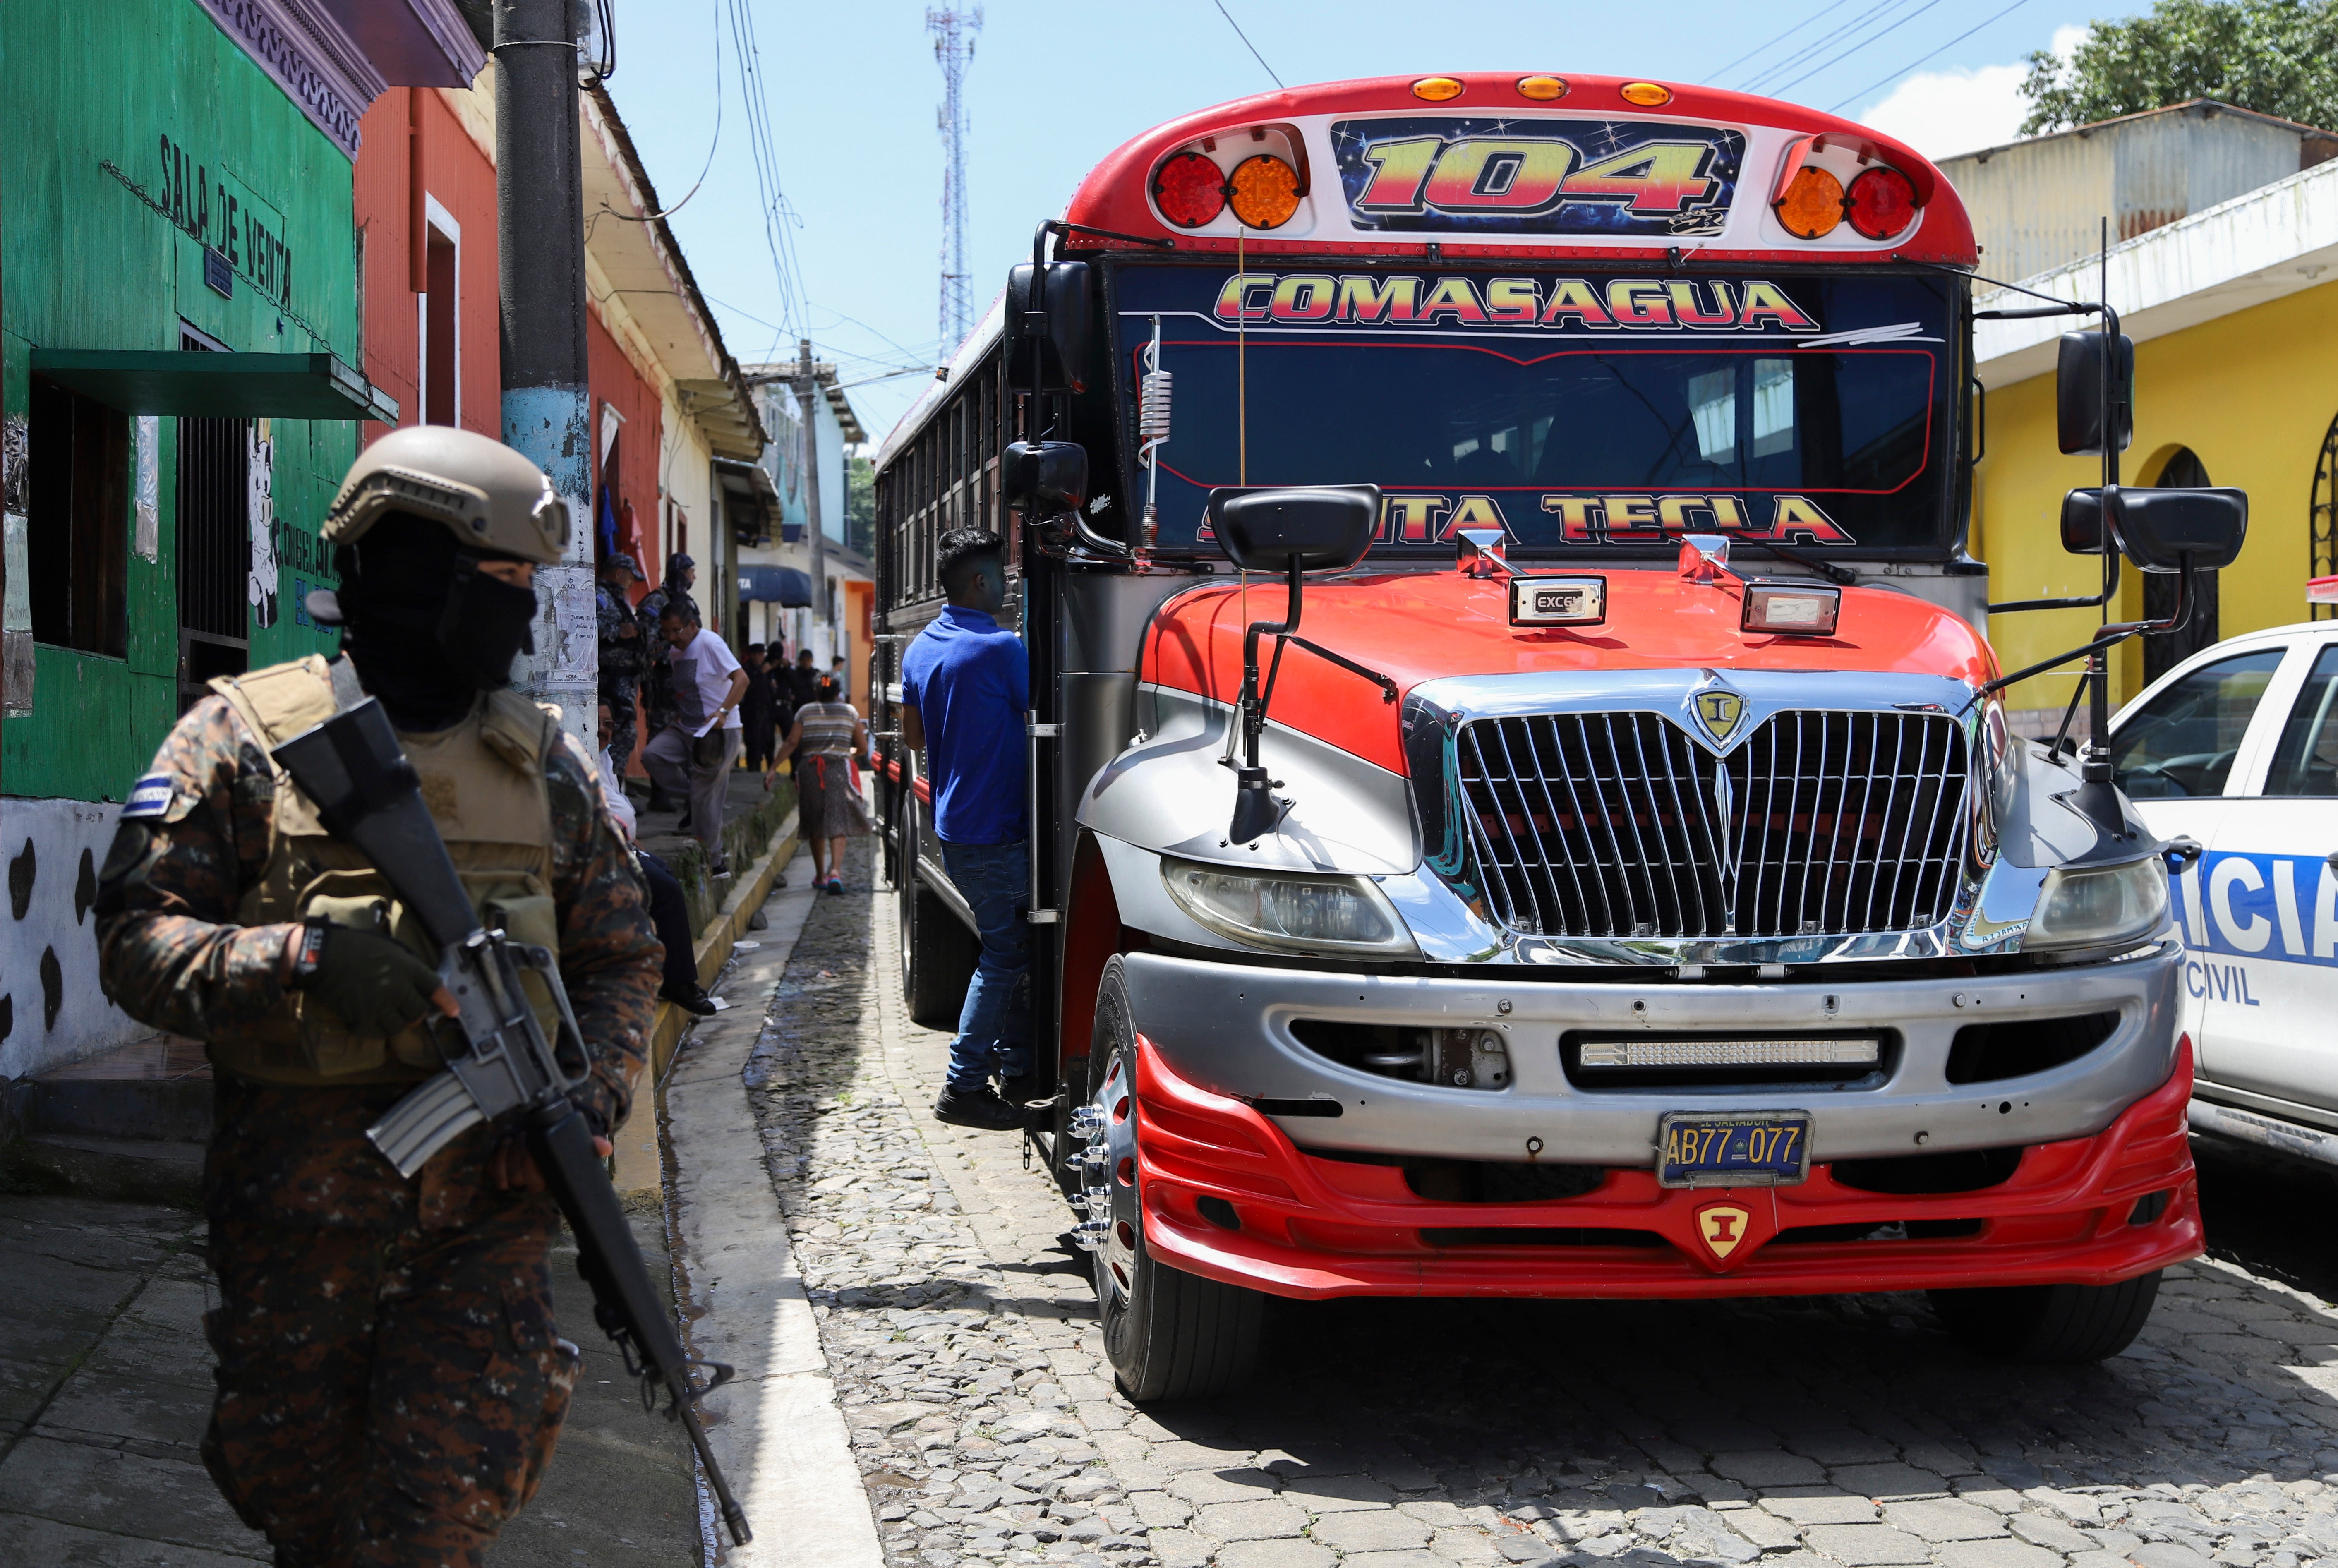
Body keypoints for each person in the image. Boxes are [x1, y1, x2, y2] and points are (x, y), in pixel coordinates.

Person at [92, 425, 664, 1567]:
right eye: (502, 584)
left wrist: (586, 1096)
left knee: (429, 1526)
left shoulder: (539, 762)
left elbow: (621, 956)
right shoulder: (245, 740)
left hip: (483, 1228)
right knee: (308, 1520)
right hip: (296, 1226)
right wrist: (298, 956)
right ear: (421, 576)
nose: (519, 616)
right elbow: (131, 941)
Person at [900, 528, 1034, 1131]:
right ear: (979, 582)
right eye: (1002, 578)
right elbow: (1047, 710)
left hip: (953, 822)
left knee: (997, 945)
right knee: (1006, 955)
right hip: (995, 827)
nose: (1007, 589)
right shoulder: (1001, 647)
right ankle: (963, 1085)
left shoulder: (920, 648)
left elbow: (912, 737)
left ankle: (1016, 1062)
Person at [597, 699, 717, 1017]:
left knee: (664, 871)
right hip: (602, 852)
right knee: (665, 890)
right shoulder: (576, 759)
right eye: (597, 722)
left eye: (609, 724)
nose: (603, 730)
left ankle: (666, 973)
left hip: (624, 846)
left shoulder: (604, 759)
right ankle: (680, 984)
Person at [640, 605, 746, 877]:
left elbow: (741, 679)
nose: (672, 637)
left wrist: (723, 712)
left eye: (676, 631)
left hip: (717, 731)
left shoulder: (709, 643)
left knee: (704, 796)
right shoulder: (676, 651)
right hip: (685, 727)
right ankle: (695, 795)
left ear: (691, 625)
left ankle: (715, 861)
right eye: (666, 632)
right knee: (652, 756)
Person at [771, 673, 870, 895]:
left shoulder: (805, 712)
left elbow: (792, 742)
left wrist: (772, 767)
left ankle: (821, 876)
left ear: (816, 692)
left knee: (815, 821)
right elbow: (862, 747)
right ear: (838, 692)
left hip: (811, 771)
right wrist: (847, 752)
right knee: (838, 819)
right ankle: (835, 871)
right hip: (838, 770)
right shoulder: (850, 712)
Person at [634, 552, 697, 811]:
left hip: (686, 682)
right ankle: (660, 795)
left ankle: (692, 797)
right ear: (681, 573)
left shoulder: (686, 603)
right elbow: (645, 643)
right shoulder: (657, 601)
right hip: (663, 681)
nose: (694, 577)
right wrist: (675, 646)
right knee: (661, 736)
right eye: (691, 572)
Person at [595, 553, 647, 770]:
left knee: (624, 732)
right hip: (610, 681)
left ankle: (614, 783)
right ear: (618, 573)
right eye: (630, 577)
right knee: (621, 733)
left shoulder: (618, 600)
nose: (632, 583)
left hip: (622, 682)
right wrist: (618, 632)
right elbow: (585, 626)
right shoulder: (599, 595)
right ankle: (609, 783)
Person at [740, 643, 777, 774]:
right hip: (752, 711)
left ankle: (762, 766)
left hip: (765, 710)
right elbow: (748, 688)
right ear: (753, 655)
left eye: (763, 655)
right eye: (760, 655)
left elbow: (768, 690)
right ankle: (753, 768)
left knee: (766, 740)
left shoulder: (765, 670)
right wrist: (761, 674)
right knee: (753, 741)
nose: (762, 658)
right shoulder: (747, 670)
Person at [787, 645, 822, 719]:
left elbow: (827, 686)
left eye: (808, 660)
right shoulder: (794, 674)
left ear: (812, 661)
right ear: (800, 661)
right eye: (803, 660)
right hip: (798, 709)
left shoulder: (818, 674)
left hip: (814, 709)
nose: (806, 662)